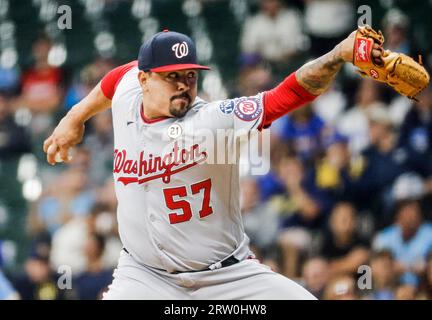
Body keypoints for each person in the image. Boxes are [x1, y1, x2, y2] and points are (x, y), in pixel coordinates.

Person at [43, 29, 384, 299]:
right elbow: (118, 76)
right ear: (145, 80)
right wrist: (75, 116)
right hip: (144, 275)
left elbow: (288, 94)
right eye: (171, 76)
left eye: (190, 75)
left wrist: (338, 54)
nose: (183, 85)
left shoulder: (213, 119)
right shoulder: (129, 90)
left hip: (226, 277)